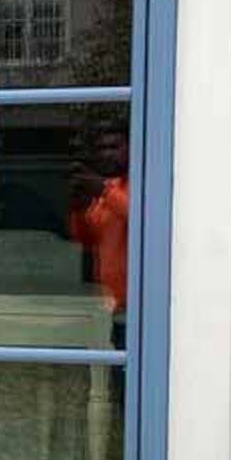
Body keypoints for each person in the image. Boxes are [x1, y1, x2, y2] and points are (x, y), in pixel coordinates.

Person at [69, 130, 130, 329]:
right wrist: (78, 208)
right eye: (102, 148)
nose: (107, 154)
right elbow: (85, 240)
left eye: (114, 147)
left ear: (130, 147)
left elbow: (142, 217)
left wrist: (103, 190)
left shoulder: (142, 182)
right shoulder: (107, 187)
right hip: (106, 304)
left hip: (136, 305)